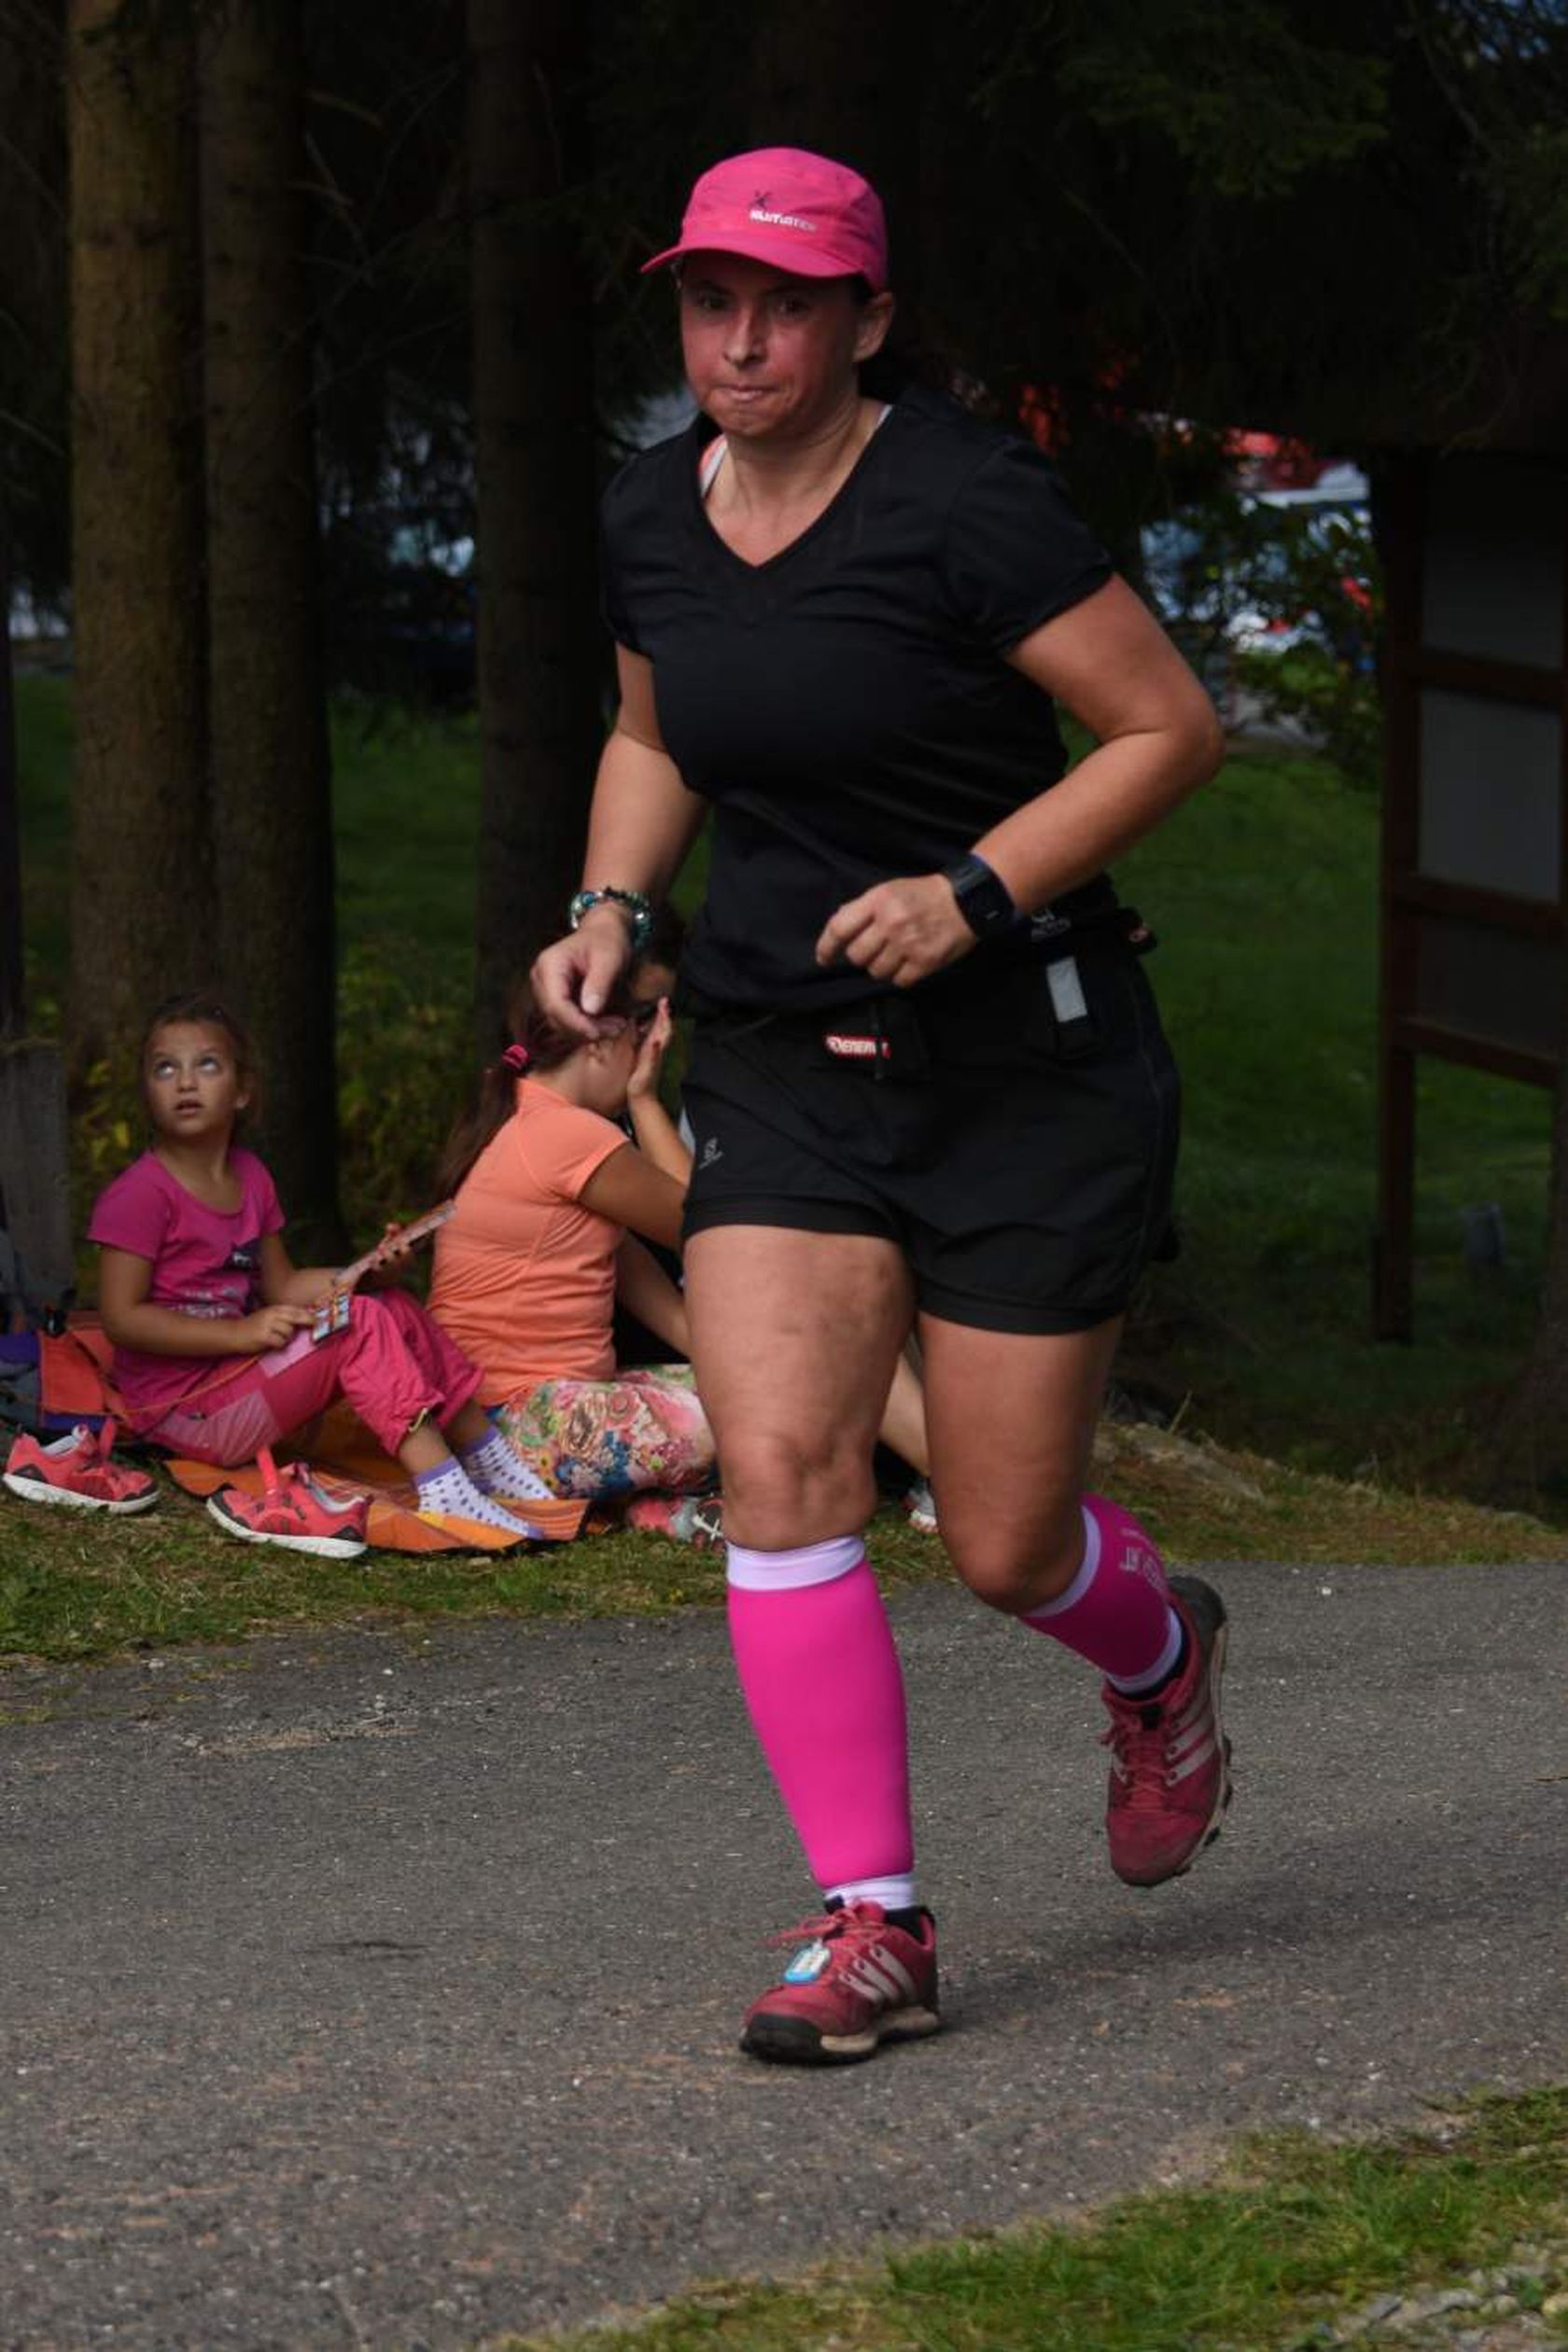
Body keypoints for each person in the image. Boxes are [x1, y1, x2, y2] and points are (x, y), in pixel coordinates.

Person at [533, 146, 1230, 2066]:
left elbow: (1169, 727)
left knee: (1004, 1542)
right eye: (711, 304)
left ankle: (1162, 1657)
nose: (743, 344)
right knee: (783, 1471)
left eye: (789, 308)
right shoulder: (650, 511)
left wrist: (973, 890)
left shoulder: (967, 503)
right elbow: (653, 735)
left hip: (1023, 1071)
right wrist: (611, 910)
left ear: (869, 322)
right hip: (779, 1053)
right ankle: (875, 1921)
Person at [427, 965, 933, 1526]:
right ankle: (948, 1477)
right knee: (773, 1412)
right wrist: (644, 1101)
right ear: (600, 1041)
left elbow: (650, 1288)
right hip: (514, 1427)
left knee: (788, 1388)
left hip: (500, 1417)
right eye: (637, 1038)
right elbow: (711, 1230)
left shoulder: (521, 1118)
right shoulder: (569, 1135)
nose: (644, 1056)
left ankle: (654, 1506)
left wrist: (753, 1362)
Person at [90, 994, 552, 1554]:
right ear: (146, 1091)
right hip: (185, 1413)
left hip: (240, 1378)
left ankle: (487, 1457)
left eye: (206, 1064)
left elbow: (283, 1286)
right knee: (358, 1324)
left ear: (242, 1090)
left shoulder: (249, 1176)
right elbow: (121, 1319)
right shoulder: (140, 1194)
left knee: (391, 1306)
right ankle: (444, 1490)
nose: (185, 1081)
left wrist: (367, 1272)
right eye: (165, 1068)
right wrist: (240, 1332)